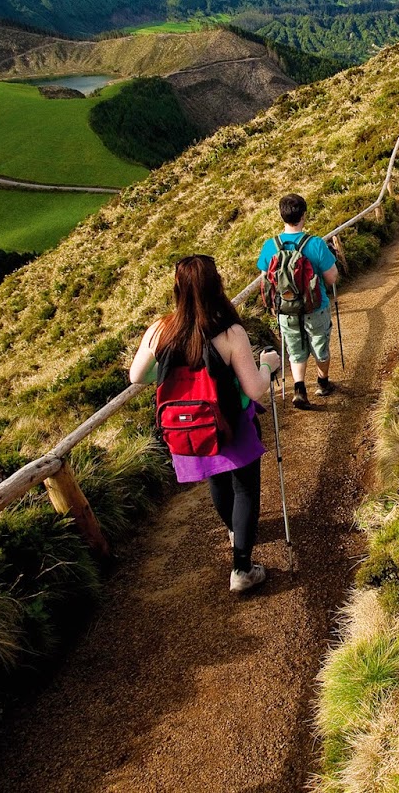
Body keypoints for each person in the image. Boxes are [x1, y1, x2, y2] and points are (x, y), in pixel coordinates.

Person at [129, 254, 281, 593]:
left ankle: (233, 532)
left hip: (190, 426)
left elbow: (136, 375)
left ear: (177, 289)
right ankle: (241, 568)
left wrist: (178, 379)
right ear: (217, 286)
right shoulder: (229, 332)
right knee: (244, 489)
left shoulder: (159, 330)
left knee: (217, 479)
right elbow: (256, 389)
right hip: (231, 422)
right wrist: (267, 365)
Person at [256, 192, 340, 410]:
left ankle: (299, 389)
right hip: (315, 306)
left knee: (295, 349)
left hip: (285, 309)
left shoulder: (269, 246)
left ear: (281, 216)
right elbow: (331, 278)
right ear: (304, 215)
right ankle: (322, 383)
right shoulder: (315, 244)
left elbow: (265, 280)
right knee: (320, 345)